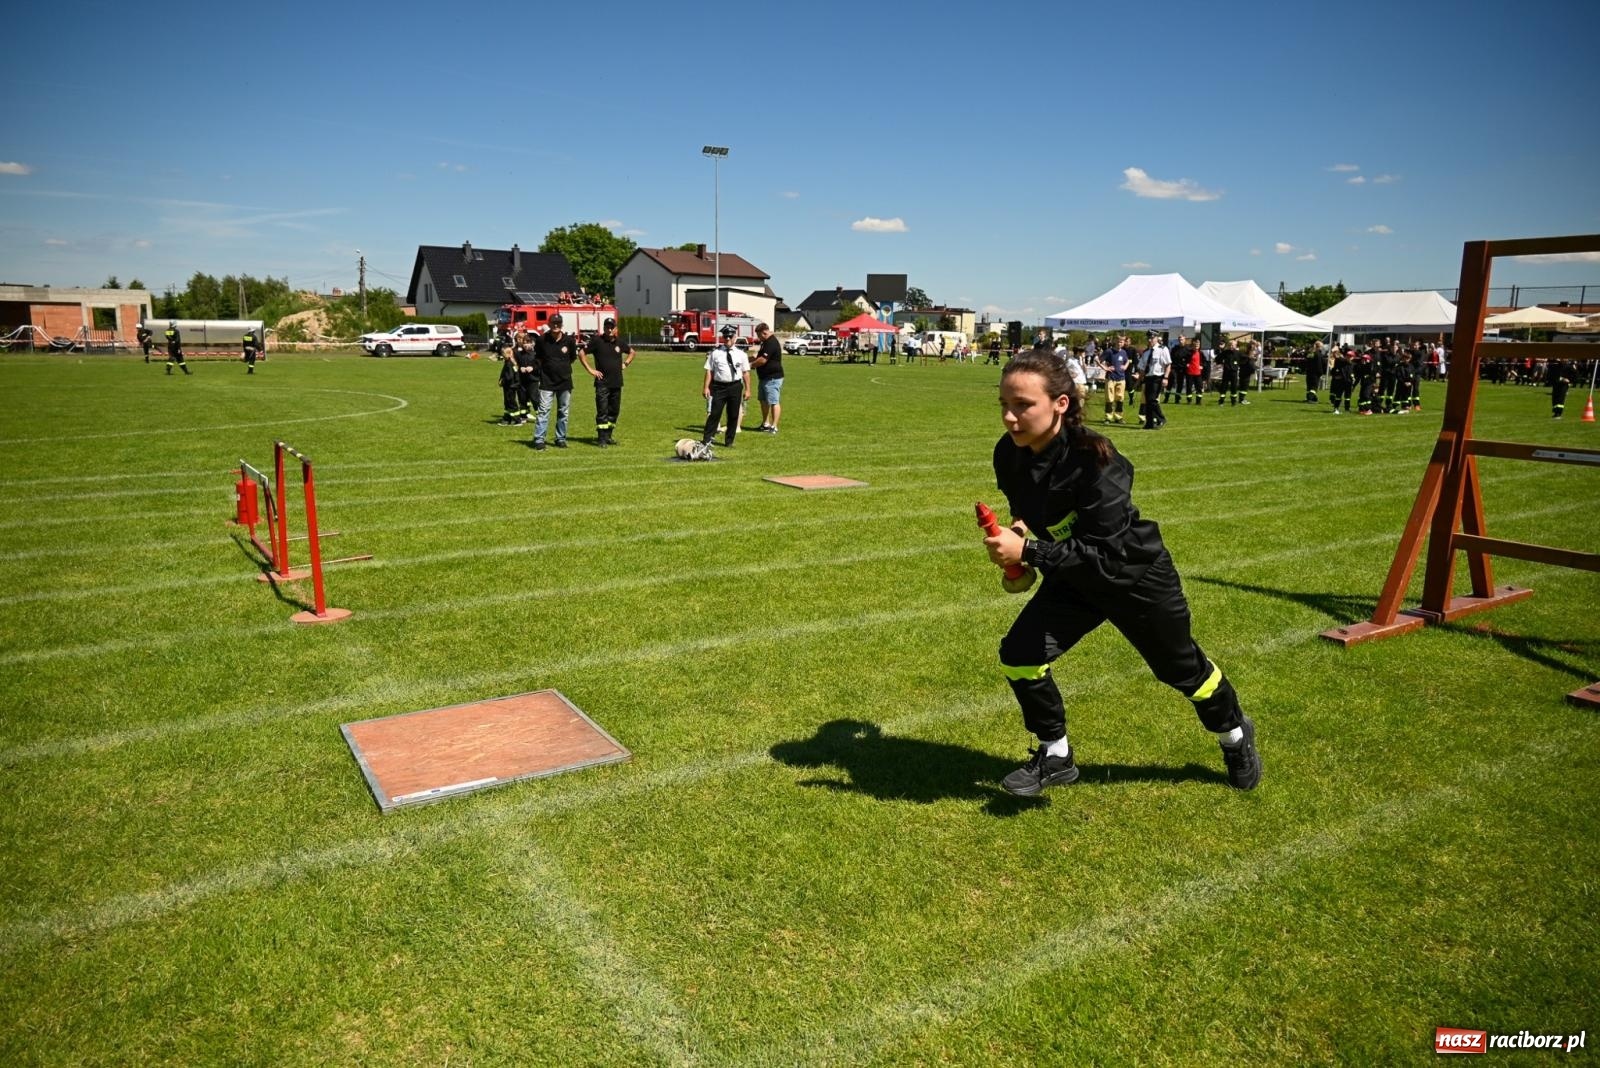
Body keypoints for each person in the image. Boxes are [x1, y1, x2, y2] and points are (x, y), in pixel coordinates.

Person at [983, 347, 1261, 796]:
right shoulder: (1008, 453)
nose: (1011, 418)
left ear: (1061, 404)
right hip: (1074, 579)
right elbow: (1026, 509)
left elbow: (1105, 554)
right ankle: (1055, 755)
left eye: (1023, 405)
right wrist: (1018, 540)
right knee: (1020, 654)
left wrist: (1030, 551)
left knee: (1182, 670)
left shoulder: (1098, 459)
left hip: (1134, 577)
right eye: (1005, 405)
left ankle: (1234, 735)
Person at [580, 317, 632, 446]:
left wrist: (625, 364)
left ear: (616, 329)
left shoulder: (620, 343)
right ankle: (601, 439)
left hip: (617, 382)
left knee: (614, 411)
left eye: (611, 327)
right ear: (603, 328)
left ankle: (608, 436)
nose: (609, 329)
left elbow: (632, 352)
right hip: (602, 383)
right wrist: (591, 370)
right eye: (607, 327)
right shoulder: (597, 341)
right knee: (602, 411)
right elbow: (581, 353)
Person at [532, 314, 578, 450]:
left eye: (558, 323)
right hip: (547, 381)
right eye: (553, 323)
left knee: (563, 411)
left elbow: (572, 358)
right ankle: (539, 440)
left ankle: (560, 438)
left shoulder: (569, 341)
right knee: (543, 411)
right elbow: (538, 358)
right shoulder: (541, 340)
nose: (556, 325)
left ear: (562, 324)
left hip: (565, 381)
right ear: (549, 323)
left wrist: (561, 367)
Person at [702, 325, 749, 448]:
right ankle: (707, 439)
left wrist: (748, 389)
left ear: (735, 337)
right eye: (725, 336)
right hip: (719, 387)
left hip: (735, 386)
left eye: (730, 336)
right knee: (715, 413)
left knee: (733, 414)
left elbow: (745, 373)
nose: (727, 339)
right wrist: (706, 387)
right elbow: (709, 371)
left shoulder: (741, 354)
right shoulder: (715, 353)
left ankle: (729, 441)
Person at [748, 322, 785, 434]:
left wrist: (750, 365)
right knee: (763, 401)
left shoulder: (771, 343)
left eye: (759, 335)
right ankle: (765, 424)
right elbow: (759, 357)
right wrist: (749, 359)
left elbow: (763, 360)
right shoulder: (765, 343)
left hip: (773, 378)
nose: (758, 338)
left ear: (764, 332)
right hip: (764, 377)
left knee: (774, 401)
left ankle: (774, 426)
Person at [1137, 332, 1170, 429]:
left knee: (1152, 400)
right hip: (1148, 378)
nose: (1149, 340)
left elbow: (1168, 364)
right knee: (1148, 401)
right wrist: (1138, 381)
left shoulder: (1162, 349)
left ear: (1156, 338)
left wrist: (1166, 377)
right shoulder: (1146, 352)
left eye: (1151, 338)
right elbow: (1142, 368)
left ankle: (1161, 418)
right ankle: (1149, 423)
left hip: (1157, 377)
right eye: (1148, 338)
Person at [1099, 334, 1130, 424]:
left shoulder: (1124, 352)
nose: (1120, 343)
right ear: (1115, 341)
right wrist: (1105, 368)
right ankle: (1108, 417)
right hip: (1111, 378)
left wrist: (1125, 366)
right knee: (1109, 398)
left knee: (1120, 398)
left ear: (1124, 342)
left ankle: (1118, 417)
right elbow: (1098, 360)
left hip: (1121, 378)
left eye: (1122, 342)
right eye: (1119, 341)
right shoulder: (1109, 351)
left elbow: (1127, 360)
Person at [1329, 346, 1354, 415]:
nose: (1349, 357)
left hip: (1349, 382)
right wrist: (1334, 351)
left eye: (1351, 356)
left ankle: (1347, 408)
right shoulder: (1342, 361)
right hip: (1341, 382)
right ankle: (1336, 408)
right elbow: (1337, 358)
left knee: (1348, 397)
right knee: (1338, 396)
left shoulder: (1352, 364)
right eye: (1348, 356)